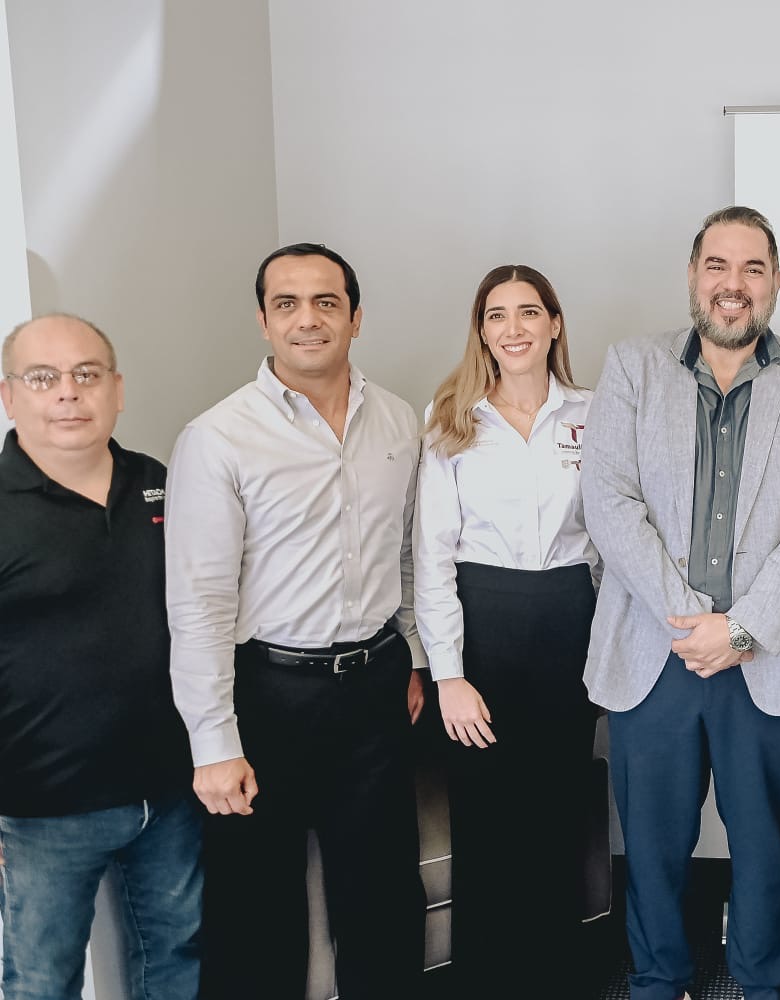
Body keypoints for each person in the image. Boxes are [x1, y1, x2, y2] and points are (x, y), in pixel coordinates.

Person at [581, 205, 780, 1000]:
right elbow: (609, 500)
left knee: (766, 847)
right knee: (653, 845)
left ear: (775, 281)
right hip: (653, 653)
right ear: (693, 275)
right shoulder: (633, 366)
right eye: (717, 266)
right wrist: (690, 623)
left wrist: (740, 630)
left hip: (766, 659)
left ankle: (762, 985)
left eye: (751, 268)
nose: (732, 284)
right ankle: (658, 979)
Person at [165, 243, 428, 1000]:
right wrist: (213, 742)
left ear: (355, 317)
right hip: (267, 696)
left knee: (384, 900)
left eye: (325, 302)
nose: (307, 319)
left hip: (375, 688)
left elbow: (406, 552)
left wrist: (411, 655)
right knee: (256, 914)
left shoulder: (397, 419)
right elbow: (199, 601)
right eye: (287, 304)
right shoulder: (217, 437)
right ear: (263, 321)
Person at [0, 315, 201, 1000]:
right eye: (43, 377)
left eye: (87, 374)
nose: (68, 392)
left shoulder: (159, 482)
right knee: (42, 982)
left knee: (176, 963)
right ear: (9, 396)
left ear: (117, 390)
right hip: (42, 810)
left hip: (169, 794)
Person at [414, 264, 600, 993]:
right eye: (497, 315)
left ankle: (555, 977)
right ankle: (488, 981)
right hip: (481, 625)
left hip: (568, 620)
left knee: (557, 809)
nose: (513, 328)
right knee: (487, 815)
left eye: (528, 312)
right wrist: (448, 675)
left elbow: (610, 541)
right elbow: (432, 556)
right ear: (482, 330)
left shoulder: (594, 414)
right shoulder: (451, 418)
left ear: (554, 324)